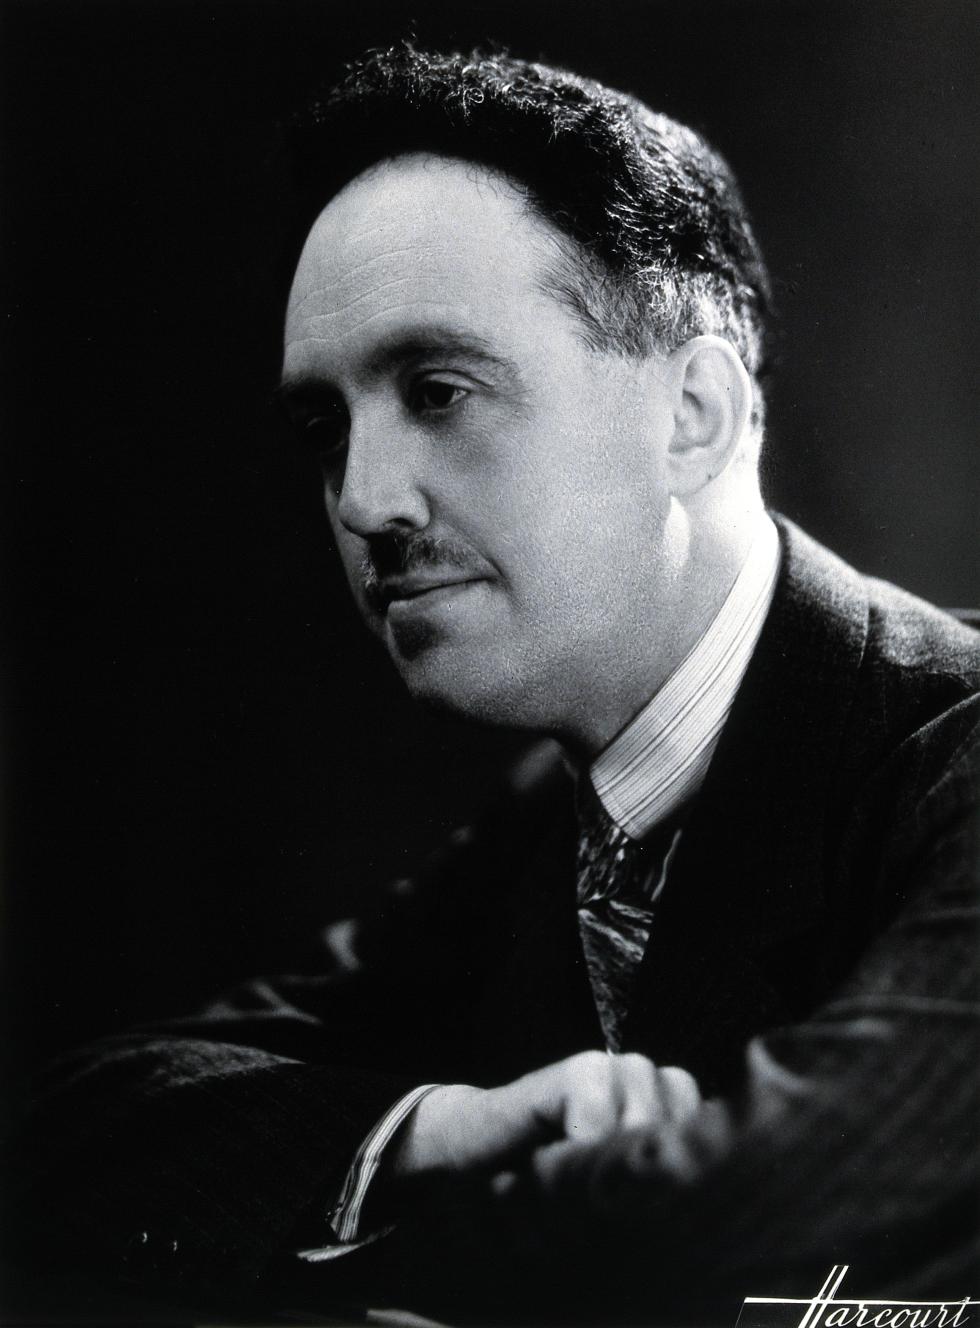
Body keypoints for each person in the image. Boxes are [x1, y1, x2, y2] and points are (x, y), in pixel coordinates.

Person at [8, 43, 979, 1326]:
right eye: (324, 428)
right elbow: (67, 1129)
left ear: (692, 412)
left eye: (438, 390)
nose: (364, 502)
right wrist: (433, 1132)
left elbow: (752, 1248)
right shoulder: (560, 813)